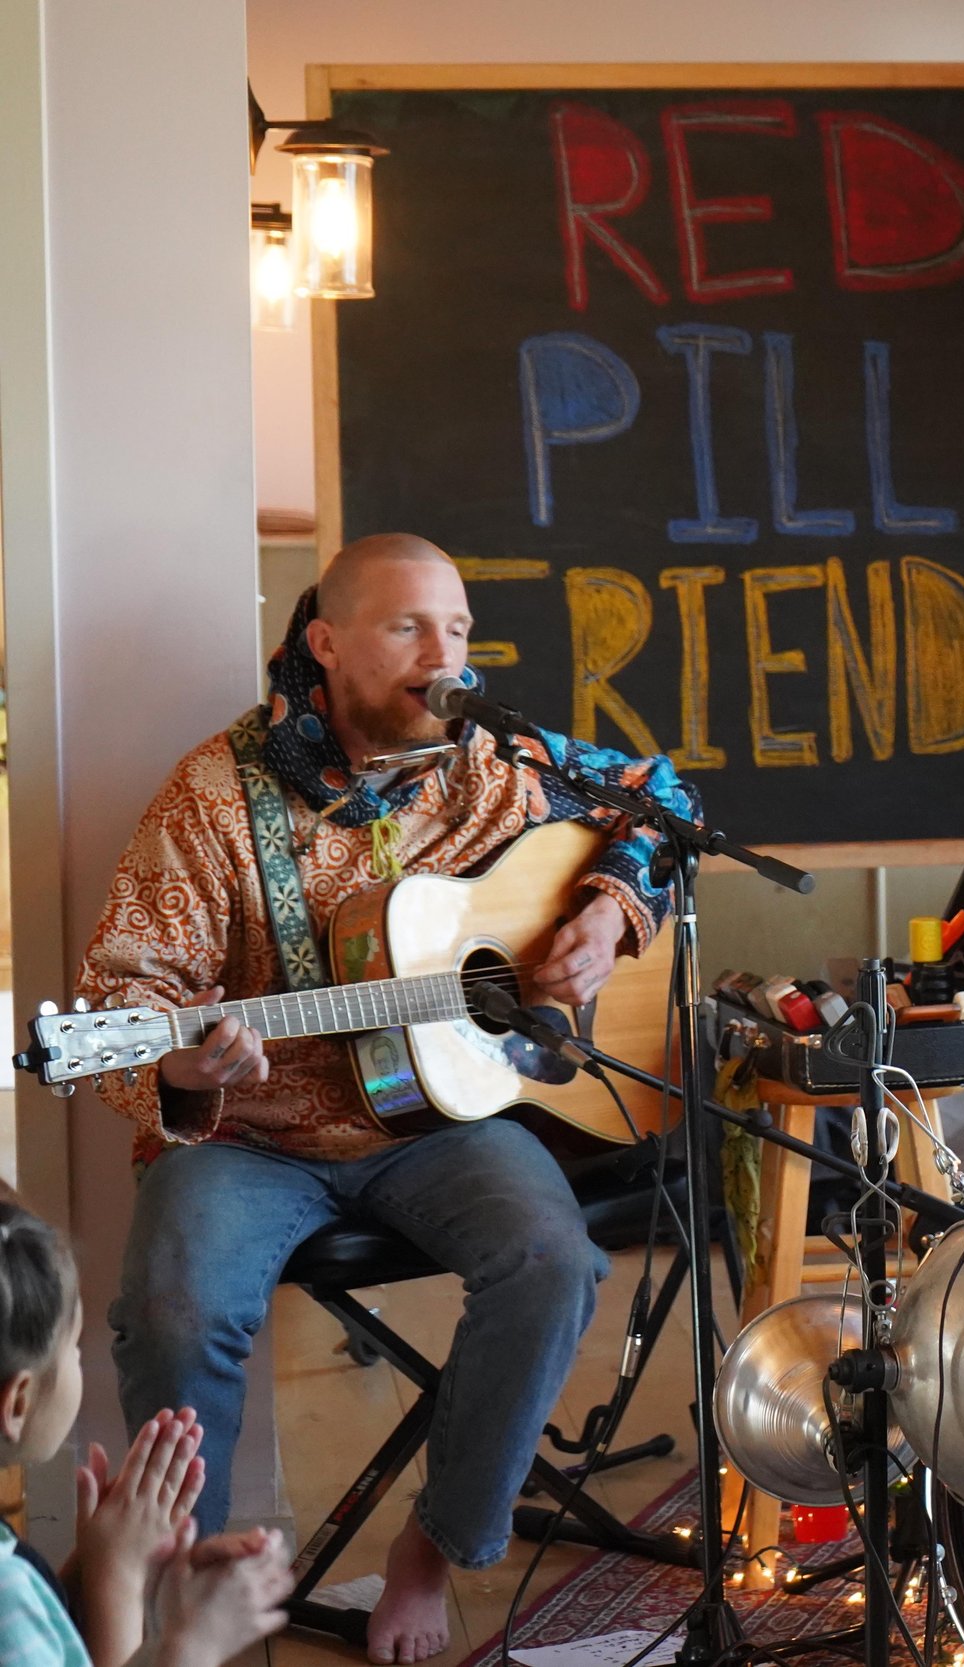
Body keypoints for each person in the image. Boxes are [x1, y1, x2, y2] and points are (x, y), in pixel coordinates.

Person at [77, 533, 700, 1664]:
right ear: (326, 642)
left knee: (551, 1261)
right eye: (410, 627)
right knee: (174, 1308)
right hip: (250, 1134)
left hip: (438, 1121)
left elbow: (662, 797)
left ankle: (435, 1545)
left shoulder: (495, 761)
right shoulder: (215, 793)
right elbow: (124, 989)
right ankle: (181, 1590)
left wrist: (608, 913)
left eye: (457, 629)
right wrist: (181, 1067)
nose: (443, 656)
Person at [0, 1199, 293, 1667]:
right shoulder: (8, 1600)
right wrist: (188, 1641)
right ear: (18, 1402)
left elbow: (48, 1638)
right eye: (73, 1348)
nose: (79, 1358)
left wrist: (97, 1562)